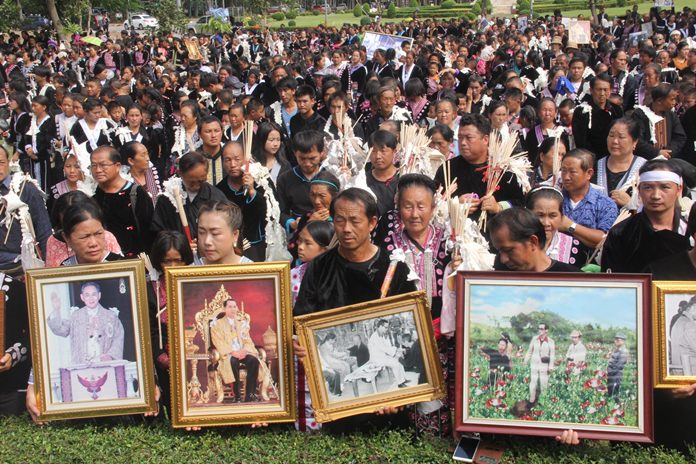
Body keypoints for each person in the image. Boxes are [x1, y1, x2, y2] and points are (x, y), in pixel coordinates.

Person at [602, 160, 692, 273]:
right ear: (639, 190)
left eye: (665, 187)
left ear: (679, 189)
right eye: (648, 188)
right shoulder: (622, 233)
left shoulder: (689, 231)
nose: (656, 196)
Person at [434, 114, 525, 222]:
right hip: (457, 233)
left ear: (485, 139)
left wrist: (498, 207)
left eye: (469, 138)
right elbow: (433, 203)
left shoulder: (504, 169)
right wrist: (454, 204)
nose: (462, 143)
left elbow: (520, 204)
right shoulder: (448, 168)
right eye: (460, 138)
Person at [91, 145, 154, 257]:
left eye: (103, 165)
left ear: (117, 166)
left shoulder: (136, 193)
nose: (98, 170)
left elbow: (151, 230)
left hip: (138, 261)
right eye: (94, 165)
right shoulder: (92, 198)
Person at [152, 151, 227, 241]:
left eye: (201, 181)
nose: (196, 186)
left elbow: (225, 229)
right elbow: (158, 231)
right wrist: (178, 244)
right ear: (180, 173)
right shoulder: (168, 197)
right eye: (191, 182)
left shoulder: (216, 197)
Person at [47, 280, 125, 365]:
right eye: (87, 295)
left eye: (94, 294)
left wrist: (110, 356)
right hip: (82, 364)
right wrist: (56, 310)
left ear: (99, 295)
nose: (91, 298)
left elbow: (118, 338)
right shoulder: (76, 316)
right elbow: (61, 330)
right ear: (82, 297)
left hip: (104, 364)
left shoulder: (111, 316)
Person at [0, 146, 52, 273]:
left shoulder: (25, 188)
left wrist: (49, 268)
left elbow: (43, 229)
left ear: (8, 162)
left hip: (20, 263)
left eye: (1, 163)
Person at [217, 141, 269, 262]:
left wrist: (251, 190)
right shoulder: (219, 189)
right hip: (231, 247)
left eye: (237, 159)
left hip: (257, 243)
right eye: (227, 160)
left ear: (245, 159)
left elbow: (267, 211)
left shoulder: (260, 182)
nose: (233, 164)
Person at [560, 149, 619, 252]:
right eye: (563, 170)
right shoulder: (555, 198)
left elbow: (603, 239)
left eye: (572, 172)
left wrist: (570, 226)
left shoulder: (605, 204)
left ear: (589, 173)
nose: (566, 177)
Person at [45, 191, 122, 267]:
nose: (93, 243)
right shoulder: (64, 269)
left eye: (98, 234)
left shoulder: (120, 265)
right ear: (67, 238)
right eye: (84, 237)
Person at [489, 207, 579, 272]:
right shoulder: (501, 273)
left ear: (533, 242)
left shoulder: (571, 280)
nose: (503, 259)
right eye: (500, 252)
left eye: (508, 250)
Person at [210, 298, 261, 403]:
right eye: (230, 306)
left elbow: (247, 340)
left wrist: (245, 350)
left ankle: (250, 395)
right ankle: (237, 396)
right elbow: (218, 342)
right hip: (228, 354)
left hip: (241, 352)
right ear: (224, 308)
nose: (233, 309)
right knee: (232, 361)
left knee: (253, 360)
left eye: (234, 306)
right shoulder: (217, 324)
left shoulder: (241, 323)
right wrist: (233, 352)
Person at [277, 130, 326, 234]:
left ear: (321, 153)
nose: (307, 163)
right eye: (302, 158)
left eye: (312, 158)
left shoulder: (329, 177)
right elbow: (280, 212)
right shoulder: (285, 179)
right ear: (295, 154)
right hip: (299, 231)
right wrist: (292, 223)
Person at [595, 118, 647, 207]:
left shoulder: (645, 169)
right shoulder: (594, 167)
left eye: (621, 137)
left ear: (635, 142)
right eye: (611, 135)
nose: (615, 141)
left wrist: (630, 203)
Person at [526, 187, 584, 266]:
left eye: (552, 216)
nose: (546, 223)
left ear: (561, 216)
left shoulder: (573, 247)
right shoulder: (516, 244)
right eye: (540, 215)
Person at [572, 73, 624, 159]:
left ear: (610, 90)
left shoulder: (616, 110)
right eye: (599, 89)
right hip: (591, 158)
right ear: (591, 90)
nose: (602, 93)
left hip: (613, 157)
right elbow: (581, 142)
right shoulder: (582, 111)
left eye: (605, 89)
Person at [195, 200, 253, 265]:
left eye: (215, 233)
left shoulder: (253, 271)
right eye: (201, 232)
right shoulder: (189, 272)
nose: (207, 241)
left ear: (235, 235)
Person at [366, 129, 399, 218]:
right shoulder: (362, 181)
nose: (378, 156)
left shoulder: (402, 178)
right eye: (373, 151)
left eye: (383, 151)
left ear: (394, 151)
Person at [368, 319, 408, 388]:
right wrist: (395, 352)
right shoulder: (375, 337)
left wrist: (396, 350)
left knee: (399, 363)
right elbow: (385, 349)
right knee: (395, 364)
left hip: (382, 356)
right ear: (380, 326)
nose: (387, 329)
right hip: (376, 359)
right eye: (386, 327)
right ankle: (400, 383)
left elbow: (387, 346)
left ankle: (403, 379)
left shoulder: (380, 335)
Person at [524, 323, 555, 403]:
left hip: (544, 365)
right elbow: (529, 351)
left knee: (543, 384)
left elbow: (552, 355)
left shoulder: (551, 341)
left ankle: (543, 402)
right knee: (532, 384)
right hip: (534, 365)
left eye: (542, 329)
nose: (540, 330)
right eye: (539, 328)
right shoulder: (534, 339)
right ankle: (531, 401)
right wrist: (526, 360)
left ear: (546, 330)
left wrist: (551, 367)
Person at [669, 297, 696, 375]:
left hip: (678, 371)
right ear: (694, 306)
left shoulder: (678, 321)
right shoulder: (689, 324)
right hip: (691, 372)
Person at [607, 334, 629, 399]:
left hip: (616, 375)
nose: (615, 341)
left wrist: (608, 370)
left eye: (618, 340)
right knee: (610, 393)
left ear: (623, 341)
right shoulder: (616, 350)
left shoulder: (624, 352)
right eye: (615, 340)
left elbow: (618, 366)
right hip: (611, 375)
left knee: (614, 394)